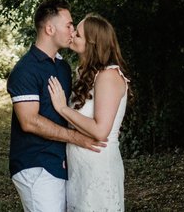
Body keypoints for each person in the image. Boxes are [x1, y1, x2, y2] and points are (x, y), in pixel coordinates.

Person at [8, 0, 106, 212]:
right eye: (69, 25)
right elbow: (29, 122)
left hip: (60, 164)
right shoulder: (25, 70)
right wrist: (77, 139)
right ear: (50, 28)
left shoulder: (62, 67)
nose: (72, 30)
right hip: (36, 165)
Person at [48, 13, 131, 212]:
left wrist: (62, 109)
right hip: (80, 168)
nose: (72, 34)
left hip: (98, 168)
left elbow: (101, 131)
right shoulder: (84, 74)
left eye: (78, 34)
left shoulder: (108, 76)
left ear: (92, 44)